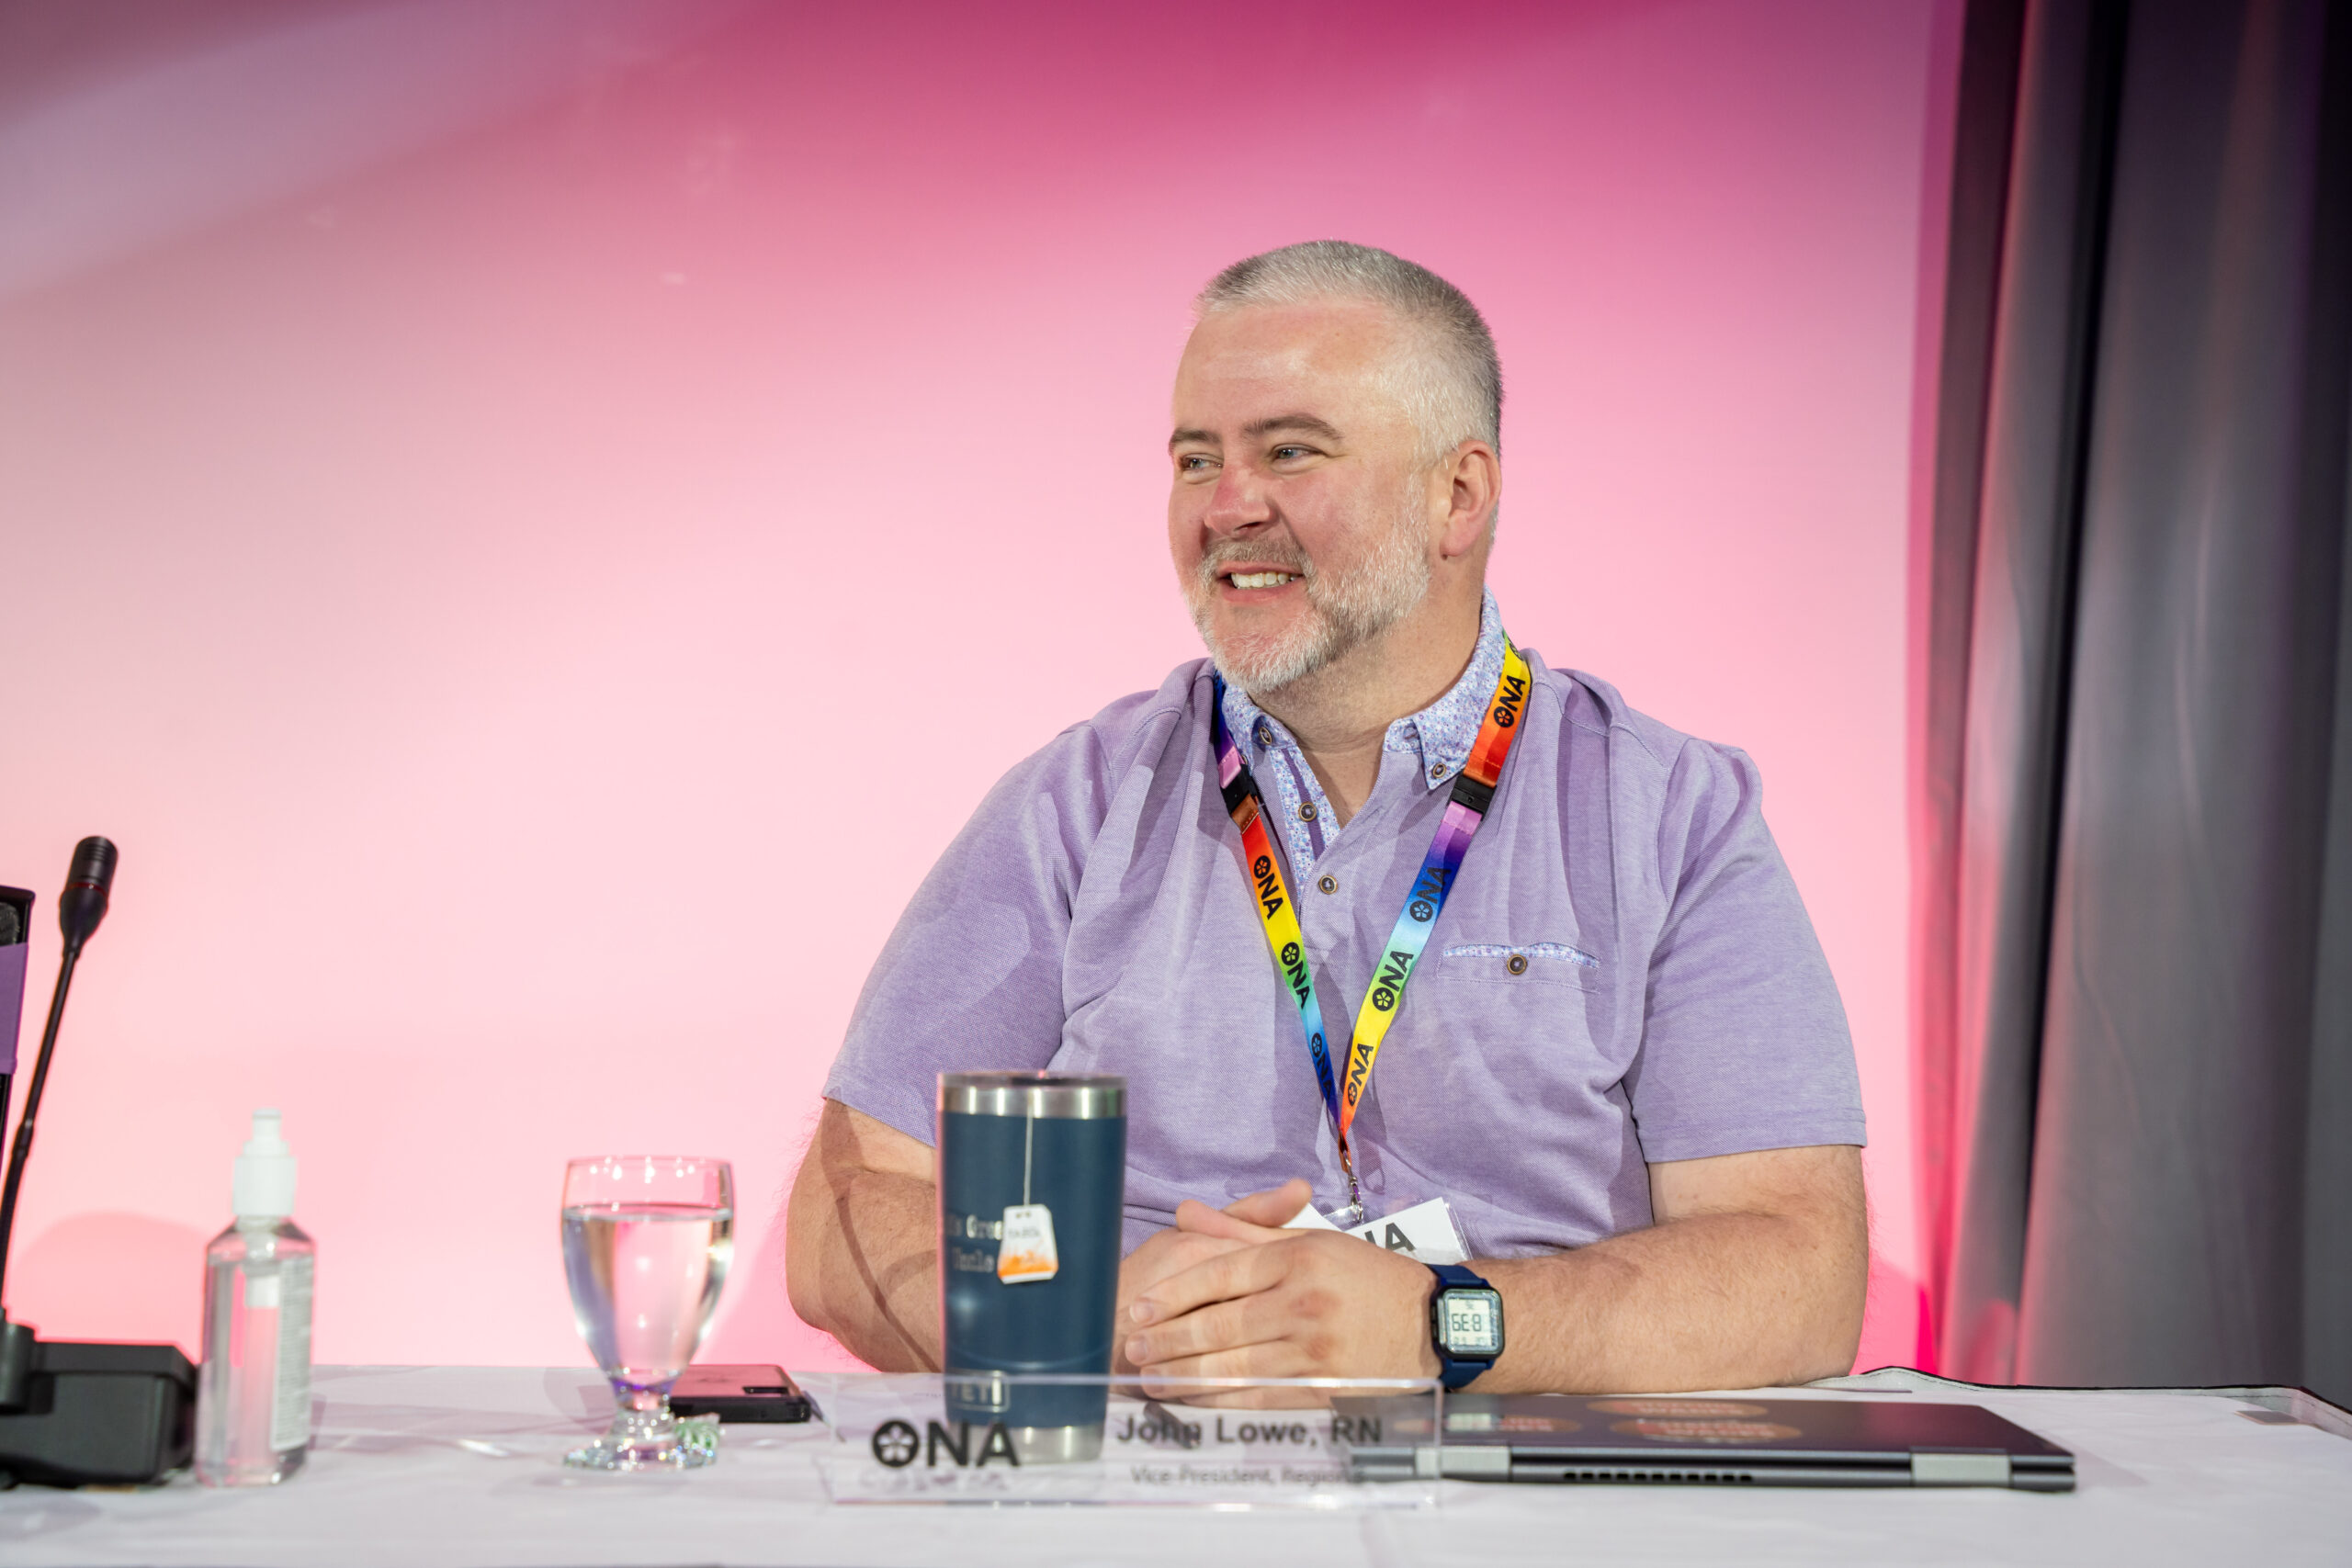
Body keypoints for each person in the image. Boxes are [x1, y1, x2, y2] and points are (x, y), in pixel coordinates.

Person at [786, 241, 1868, 1393]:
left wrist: (1437, 1326)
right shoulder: (1079, 802)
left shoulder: (1671, 816)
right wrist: (1090, 1317)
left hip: (1533, 1490)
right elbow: (839, 1219)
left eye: (1287, 453)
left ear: (1458, 495)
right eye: (1196, 459)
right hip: (1154, 1482)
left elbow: (1800, 1274)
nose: (1224, 507)